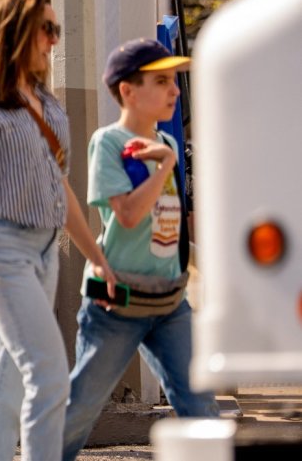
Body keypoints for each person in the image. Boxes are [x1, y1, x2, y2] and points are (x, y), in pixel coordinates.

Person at [0, 0, 113, 461]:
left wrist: (98, 258)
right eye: (48, 29)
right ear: (15, 30)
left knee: (5, 386)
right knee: (49, 374)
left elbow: (63, 191)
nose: (54, 40)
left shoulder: (45, 101)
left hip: (45, 250)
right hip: (2, 251)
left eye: (56, 29)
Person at [62, 39, 219, 461]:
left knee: (201, 408)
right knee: (80, 409)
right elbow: (128, 215)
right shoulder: (109, 143)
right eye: (161, 81)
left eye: (174, 81)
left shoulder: (165, 140)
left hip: (170, 302)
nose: (175, 91)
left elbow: (169, 222)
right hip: (118, 304)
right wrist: (166, 164)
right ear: (128, 91)